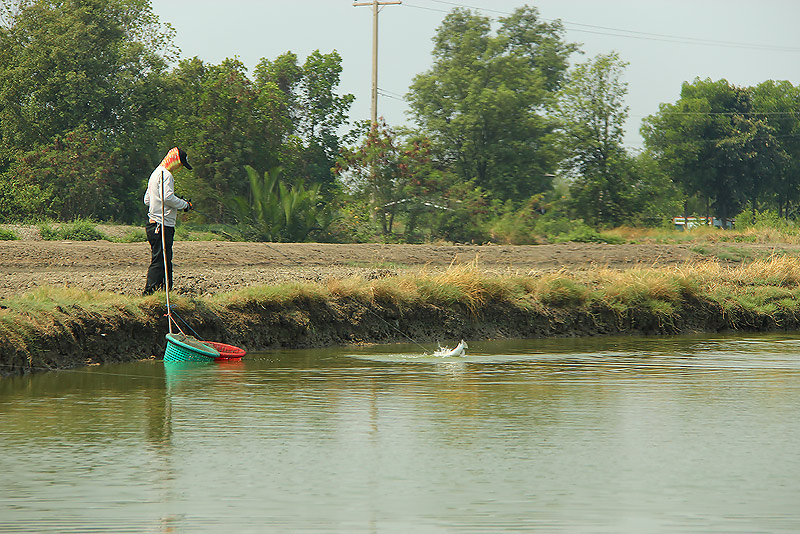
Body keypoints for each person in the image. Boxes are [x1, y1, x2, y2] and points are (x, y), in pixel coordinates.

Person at [142, 147, 193, 295]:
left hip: (153, 224)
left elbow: (147, 200)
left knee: (164, 260)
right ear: (175, 161)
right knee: (160, 261)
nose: (180, 168)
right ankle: (150, 293)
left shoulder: (155, 173)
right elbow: (167, 197)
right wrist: (185, 205)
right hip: (162, 225)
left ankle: (165, 293)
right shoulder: (166, 174)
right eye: (181, 164)